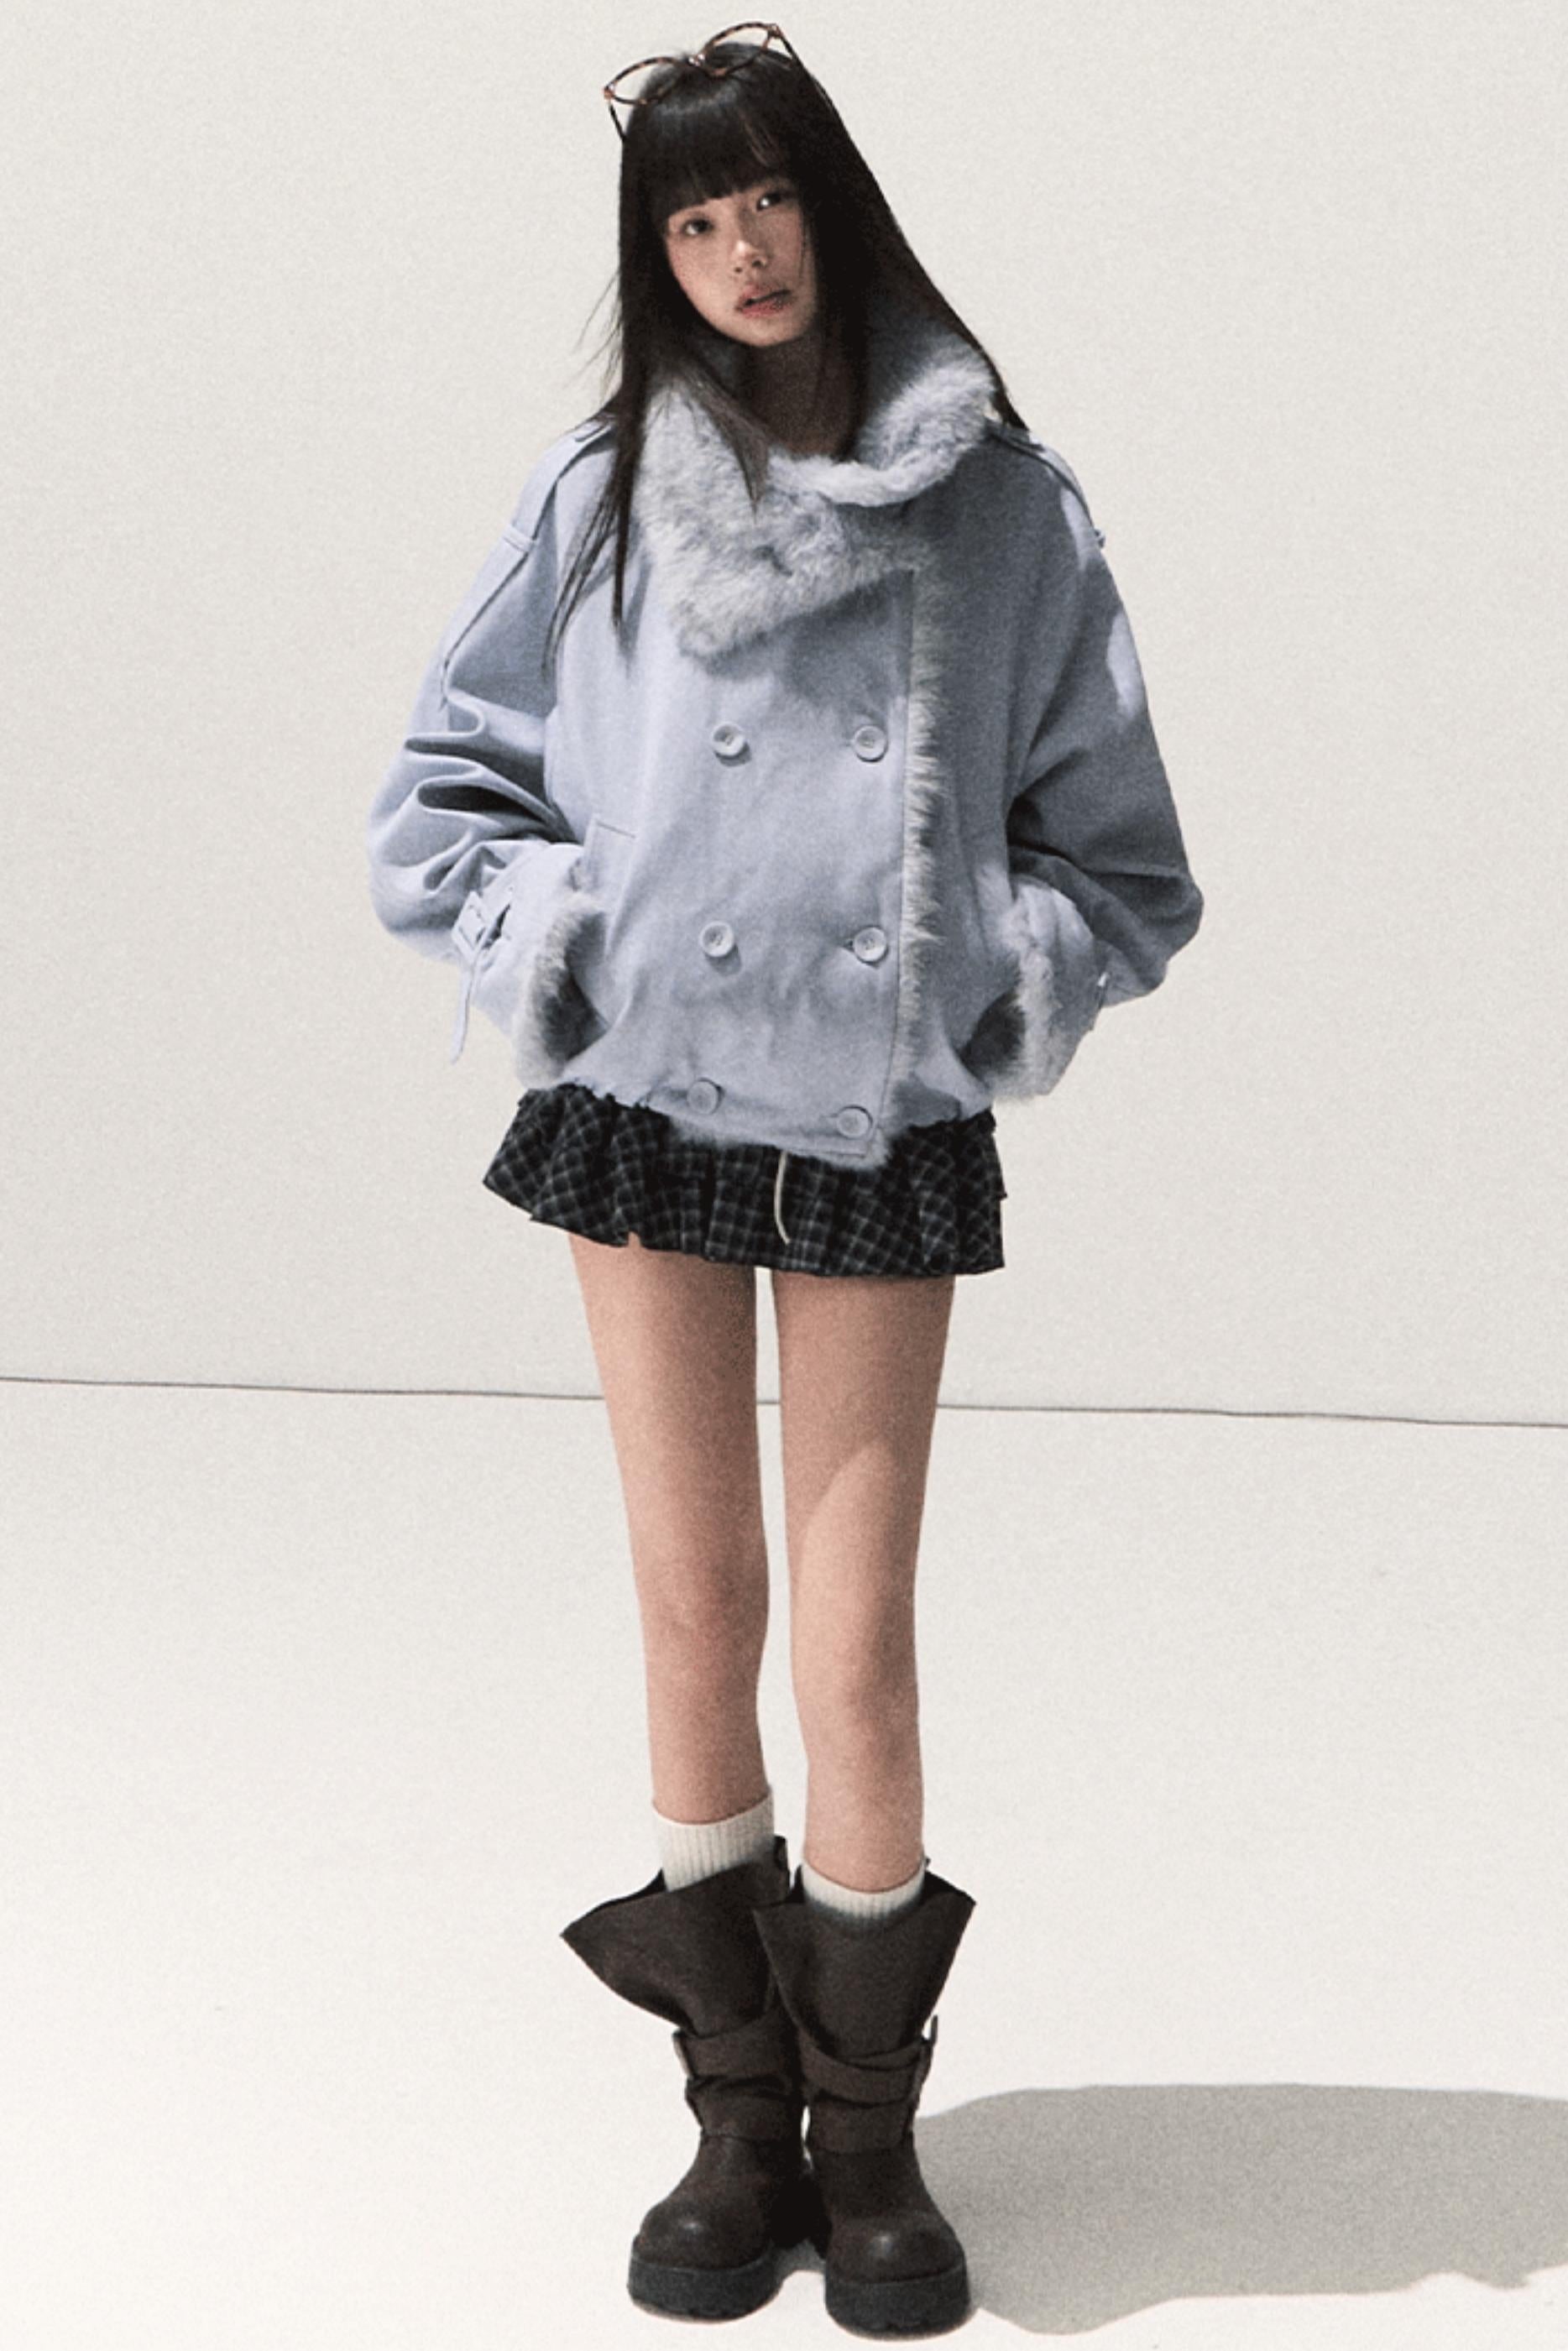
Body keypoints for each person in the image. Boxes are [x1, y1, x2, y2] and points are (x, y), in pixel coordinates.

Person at [365, 24, 1202, 2337]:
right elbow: (440, 790)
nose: (741, 251)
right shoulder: (601, 497)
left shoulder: (1004, 509)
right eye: (691, 220)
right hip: (643, 1100)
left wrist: (975, 983)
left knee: (856, 1644)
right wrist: (574, 935)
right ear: (657, 255)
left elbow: (1122, 859)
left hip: (872, 1118)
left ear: (838, 204)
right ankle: (737, 2117)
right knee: (690, 1602)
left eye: (769, 201)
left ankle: (870, 2131)